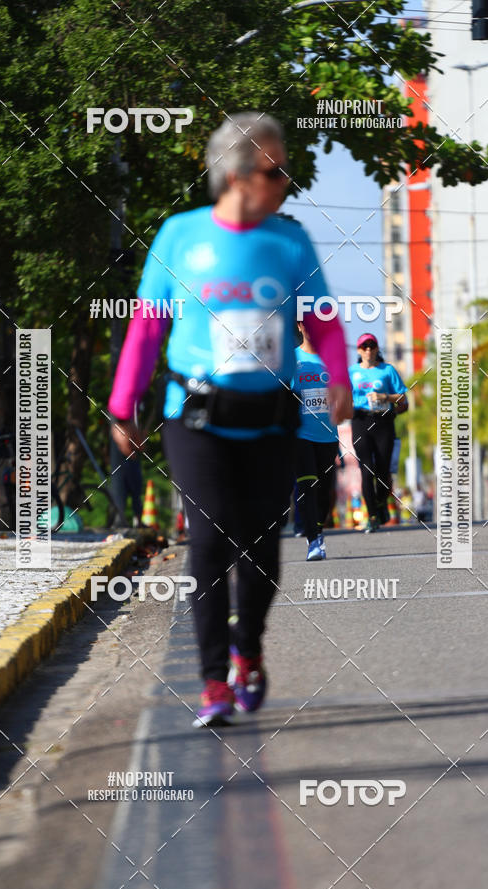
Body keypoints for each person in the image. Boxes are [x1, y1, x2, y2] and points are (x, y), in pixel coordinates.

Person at [108, 113, 352, 727]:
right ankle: (214, 681)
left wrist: (341, 378)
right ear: (239, 174)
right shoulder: (179, 237)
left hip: (270, 418)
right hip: (196, 418)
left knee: (261, 549)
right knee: (211, 542)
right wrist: (124, 403)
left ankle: (249, 650)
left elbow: (321, 319)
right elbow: (147, 325)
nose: (285, 181)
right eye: (276, 170)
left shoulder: (290, 241)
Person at [349, 333, 407, 533]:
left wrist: (385, 397)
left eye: (372, 346)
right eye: (364, 346)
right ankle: (372, 516)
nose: (368, 350)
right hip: (360, 421)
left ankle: (381, 503)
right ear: (358, 350)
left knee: (383, 471)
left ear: (377, 349)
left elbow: (402, 400)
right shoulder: (352, 372)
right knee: (366, 470)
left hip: (383, 421)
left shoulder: (387, 370)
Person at [292, 322, 340, 560]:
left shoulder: (331, 357)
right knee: (306, 486)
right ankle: (313, 541)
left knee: (323, 490)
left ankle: (318, 531)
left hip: (328, 435)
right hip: (301, 434)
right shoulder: (292, 358)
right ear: (300, 326)